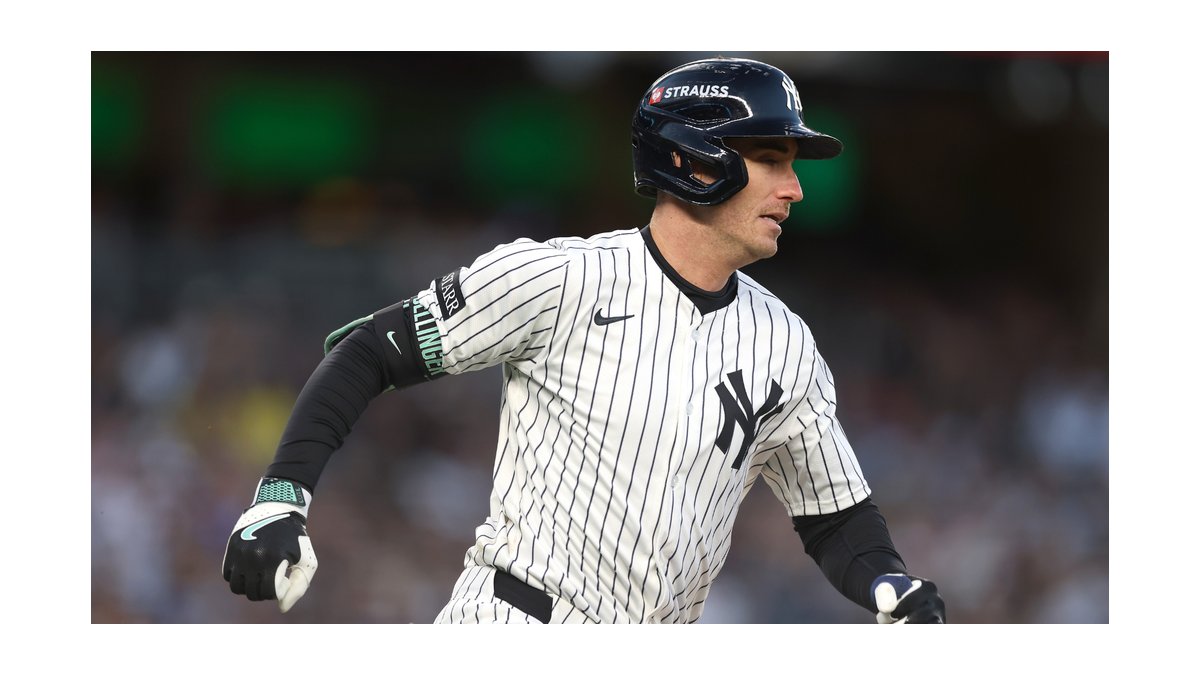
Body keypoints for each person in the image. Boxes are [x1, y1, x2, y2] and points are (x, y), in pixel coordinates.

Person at [221, 56, 947, 624]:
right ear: (695, 158)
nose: (794, 188)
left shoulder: (785, 342)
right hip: (517, 622)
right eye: (772, 159)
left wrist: (890, 582)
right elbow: (369, 350)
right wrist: (281, 496)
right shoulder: (564, 278)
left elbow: (835, 515)